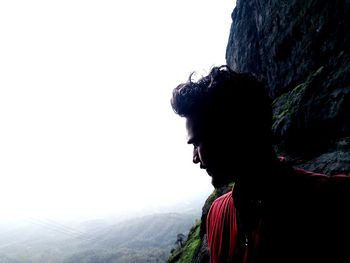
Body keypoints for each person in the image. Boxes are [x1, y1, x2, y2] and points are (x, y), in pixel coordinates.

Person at [170, 65, 350, 263]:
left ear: (230, 133)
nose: (195, 157)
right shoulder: (216, 215)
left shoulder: (334, 201)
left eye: (197, 143)